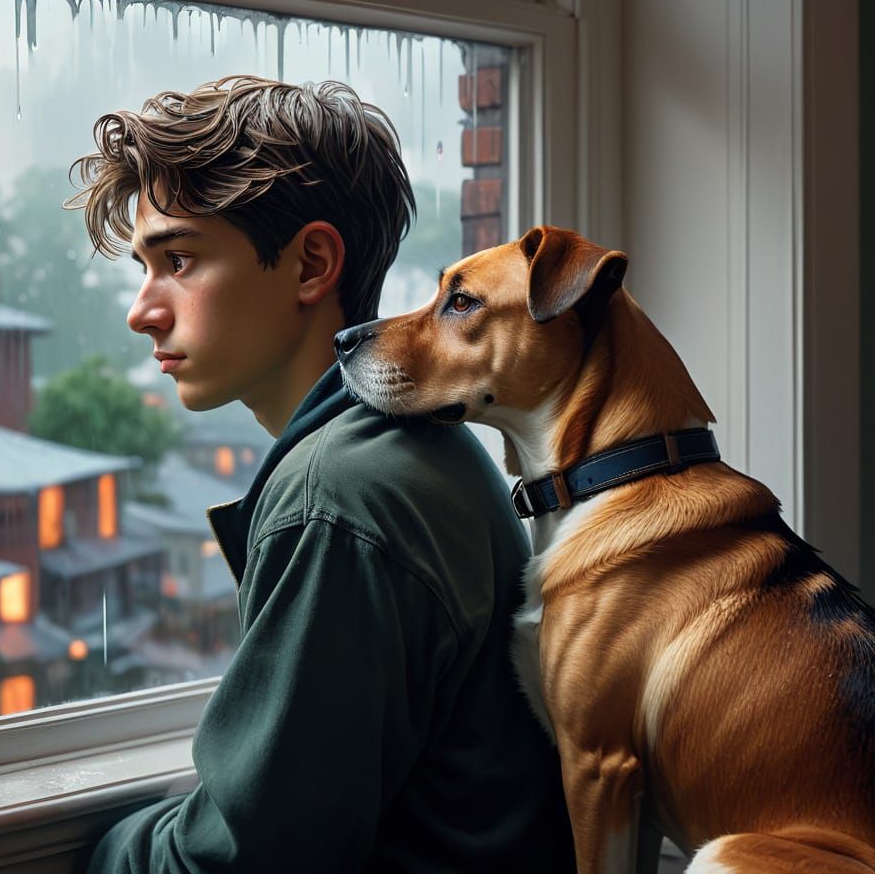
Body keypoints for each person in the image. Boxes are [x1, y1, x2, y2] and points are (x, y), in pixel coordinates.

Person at [69, 75, 575, 872]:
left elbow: (248, 859)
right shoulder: (418, 447)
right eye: (143, 266)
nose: (143, 309)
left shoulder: (339, 495)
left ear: (311, 264)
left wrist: (108, 854)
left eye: (180, 258)